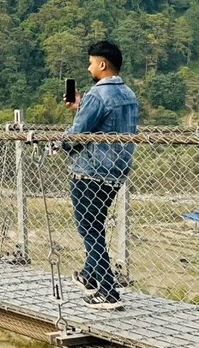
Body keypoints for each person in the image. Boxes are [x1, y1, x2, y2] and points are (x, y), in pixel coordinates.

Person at [63, 40, 139, 311]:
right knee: (96, 222)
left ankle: (107, 291)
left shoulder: (97, 95)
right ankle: (89, 275)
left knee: (89, 228)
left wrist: (62, 138)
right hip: (117, 171)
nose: (89, 67)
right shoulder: (129, 93)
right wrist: (81, 107)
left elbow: (75, 138)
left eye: (91, 62)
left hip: (89, 172)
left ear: (103, 64)